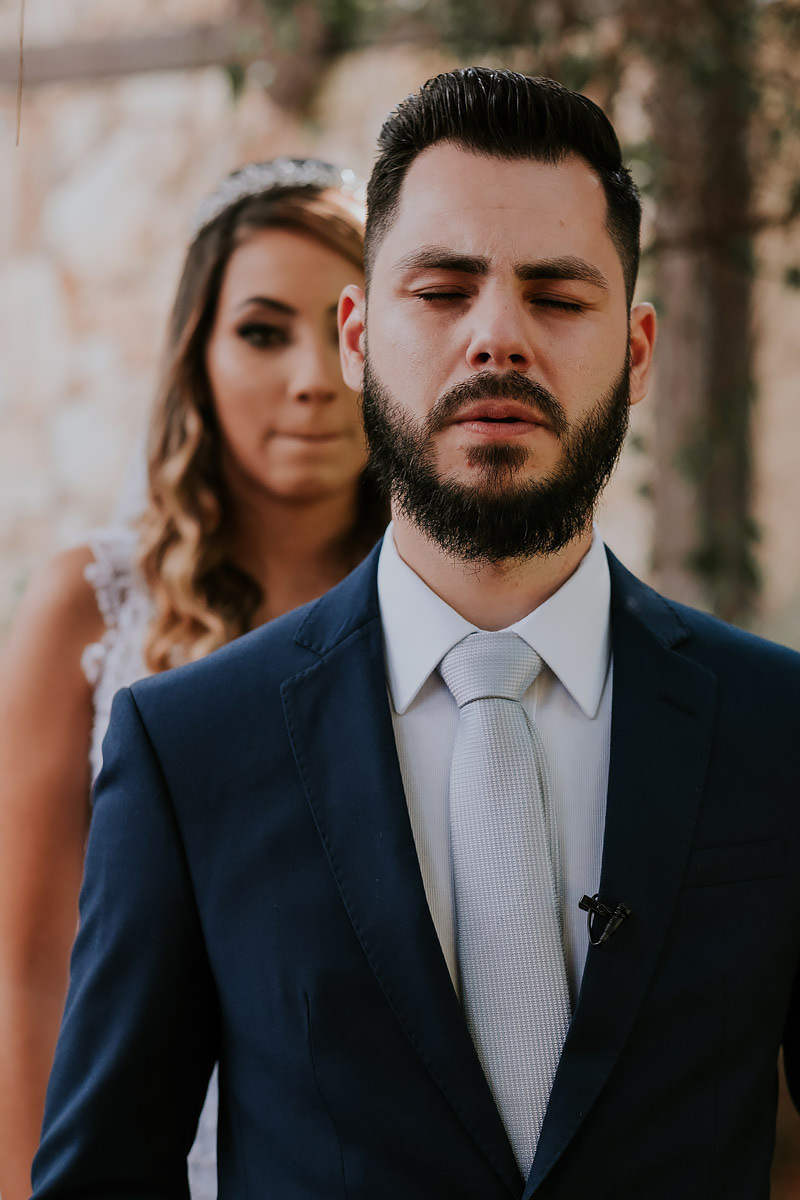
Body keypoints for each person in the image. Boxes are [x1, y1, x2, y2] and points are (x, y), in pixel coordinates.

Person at [29, 68, 800, 1200]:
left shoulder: (778, 729)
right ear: (358, 337)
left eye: (556, 296)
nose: (496, 337)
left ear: (636, 352)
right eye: (441, 291)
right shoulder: (188, 748)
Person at [0, 157, 386, 1200]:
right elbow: (30, 969)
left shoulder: (440, 611)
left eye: (341, 327)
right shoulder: (89, 607)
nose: (312, 375)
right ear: (197, 354)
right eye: (262, 331)